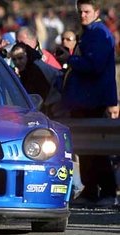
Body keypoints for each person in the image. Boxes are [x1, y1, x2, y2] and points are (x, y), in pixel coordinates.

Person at [63, 0, 119, 207]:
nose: (82, 15)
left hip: (92, 100)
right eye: (80, 12)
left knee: (96, 150)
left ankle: (107, 192)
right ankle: (91, 191)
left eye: (86, 11)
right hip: (84, 101)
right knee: (87, 150)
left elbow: (94, 65)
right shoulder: (90, 32)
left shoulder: (98, 33)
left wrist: (71, 60)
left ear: (96, 12)